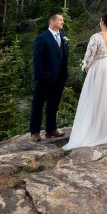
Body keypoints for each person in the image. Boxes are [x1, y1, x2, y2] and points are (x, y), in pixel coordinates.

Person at [63, 13, 107, 149]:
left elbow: (89, 56)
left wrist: (86, 68)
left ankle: (95, 130)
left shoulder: (96, 37)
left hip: (101, 68)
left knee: (96, 98)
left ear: (102, 23)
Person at [30, 13, 69, 142]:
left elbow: (63, 57)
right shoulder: (42, 38)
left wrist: (64, 75)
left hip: (59, 78)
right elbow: (37, 60)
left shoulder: (63, 37)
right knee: (38, 104)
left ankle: (51, 130)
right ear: (52, 21)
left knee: (53, 104)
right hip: (44, 78)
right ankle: (35, 132)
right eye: (60, 20)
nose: (62, 22)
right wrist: (38, 78)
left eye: (62, 20)